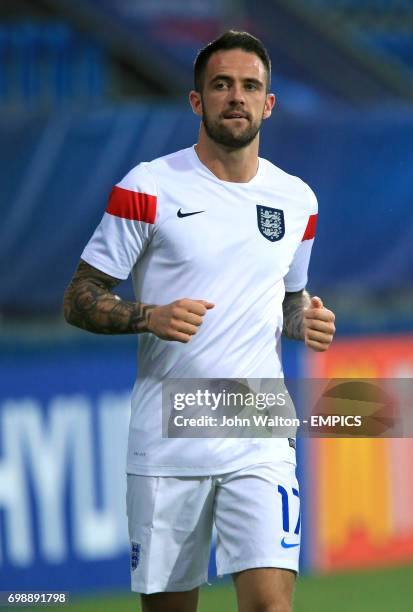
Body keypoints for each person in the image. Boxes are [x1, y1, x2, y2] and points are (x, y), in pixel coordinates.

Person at [64, 30, 335, 612]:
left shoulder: (297, 201)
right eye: (221, 85)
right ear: (197, 101)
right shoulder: (148, 187)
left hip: (259, 425)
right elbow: (80, 296)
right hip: (168, 436)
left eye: (249, 86)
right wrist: (147, 315)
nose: (235, 96)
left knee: (270, 604)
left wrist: (305, 320)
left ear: (269, 103)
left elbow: (291, 299)